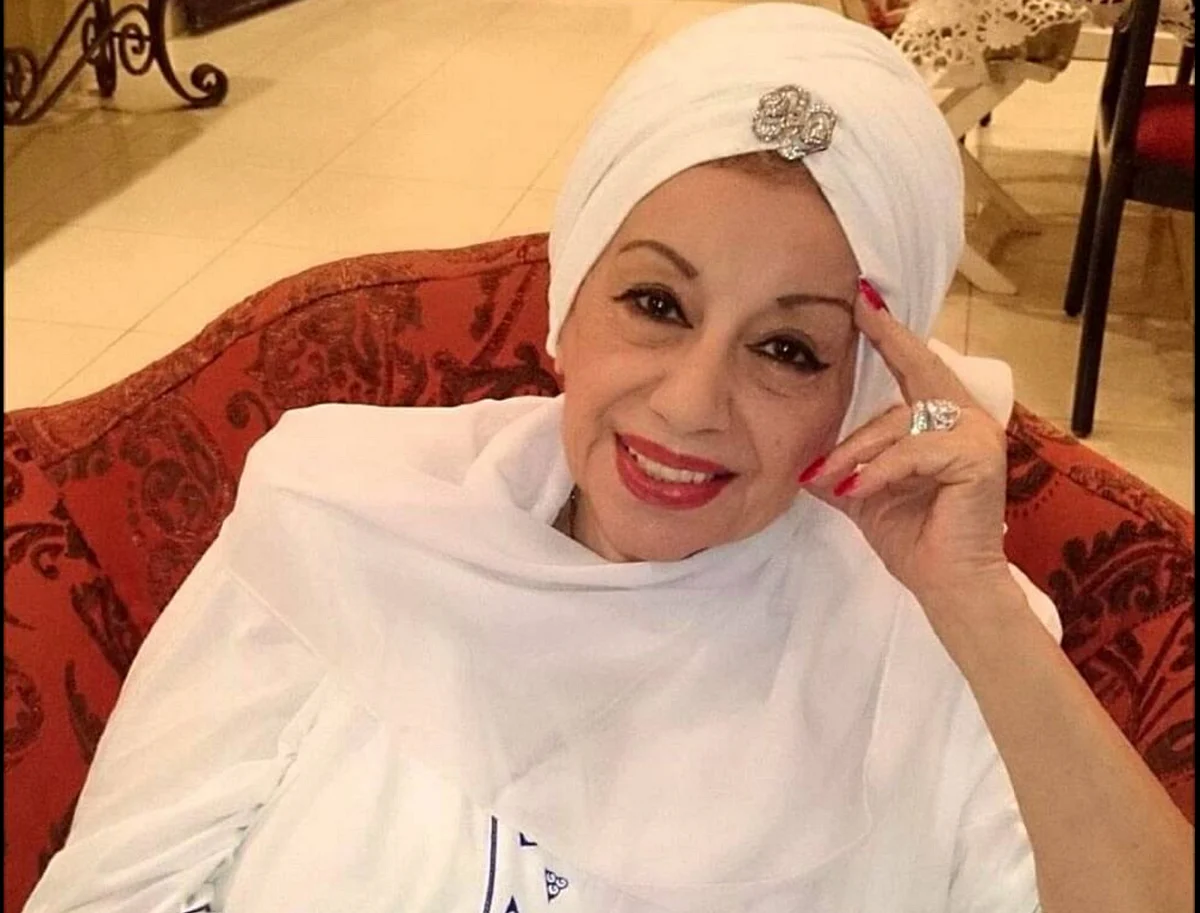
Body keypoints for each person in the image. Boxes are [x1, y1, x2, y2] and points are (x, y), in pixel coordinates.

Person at [23, 5, 1192, 913]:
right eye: (656, 303)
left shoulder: (928, 643)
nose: (690, 404)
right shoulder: (339, 514)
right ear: (566, 304)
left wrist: (978, 611)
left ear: (864, 390)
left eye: (788, 349)